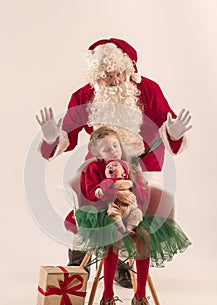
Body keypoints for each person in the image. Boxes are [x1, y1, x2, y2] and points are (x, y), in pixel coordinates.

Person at [35, 37, 193, 288]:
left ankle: (122, 262)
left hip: (143, 163)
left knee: (132, 210)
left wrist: (173, 133)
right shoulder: (84, 96)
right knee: (87, 198)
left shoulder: (147, 90)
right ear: (97, 76)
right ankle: (79, 259)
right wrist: (51, 137)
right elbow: (68, 134)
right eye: (108, 76)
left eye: (120, 73)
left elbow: (166, 124)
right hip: (101, 163)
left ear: (128, 69)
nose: (115, 80)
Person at [74, 126, 191, 305]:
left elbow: (143, 197)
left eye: (115, 145)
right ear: (97, 154)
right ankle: (108, 296)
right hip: (105, 215)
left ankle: (140, 297)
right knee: (113, 237)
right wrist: (111, 191)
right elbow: (91, 194)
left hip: (131, 212)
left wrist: (133, 185)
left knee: (144, 235)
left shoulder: (131, 167)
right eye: (106, 149)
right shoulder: (93, 168)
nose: (113, 151)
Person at [95, 158, 143, 236]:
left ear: (124, 173)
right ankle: (119, 224)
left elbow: (139, 195)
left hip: (131, 207)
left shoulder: (129, 182)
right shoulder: (108, 181)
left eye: (115, 165)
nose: (110, 167)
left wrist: (135, 186)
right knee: (113, 212)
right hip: (117, 206)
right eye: (108, 167)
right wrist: (99, 189)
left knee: (138, 213)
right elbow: (102, 187)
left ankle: (129, 227)